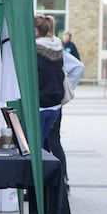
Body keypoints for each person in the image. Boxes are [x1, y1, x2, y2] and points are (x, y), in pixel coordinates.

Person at [43, 17, 84, 190]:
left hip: (48, 102)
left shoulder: (51, 48)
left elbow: (78, 67)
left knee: (51, 142)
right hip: (52, 103)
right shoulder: (53, 47)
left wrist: (65, 88)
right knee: (50, 142)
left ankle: (59, 181)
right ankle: (57, 181)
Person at [35, 16, 65, 143]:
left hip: (40, 103)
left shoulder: (34, 49)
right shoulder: (58, 47)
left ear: (36, 30)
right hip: (56, 104)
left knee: (36, 146)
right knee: (43, 145)